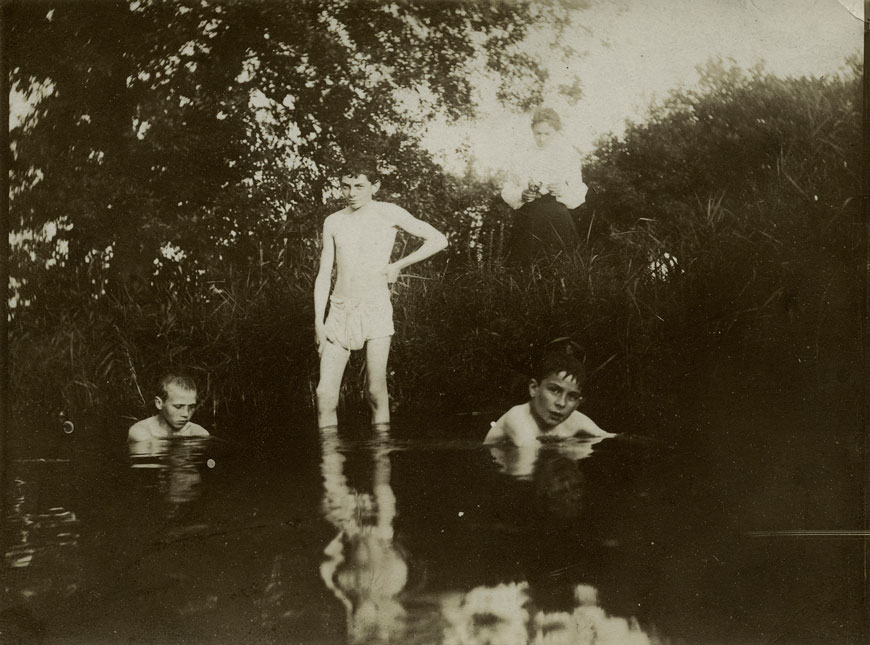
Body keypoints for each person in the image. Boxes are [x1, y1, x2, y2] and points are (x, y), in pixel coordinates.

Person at [314, 156, 448, 428]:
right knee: (324, 394)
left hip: (375, 306)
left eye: (359, 186)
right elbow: (323, 273)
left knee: (375, 392)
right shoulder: (333, 221)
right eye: (345, 186)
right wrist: (318, 321)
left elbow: (438, 239)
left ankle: (380, 464)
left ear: (375, 186)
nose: (351, 193)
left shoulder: (389, 212)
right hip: (339, 309)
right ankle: (329, 468)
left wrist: (399, 264)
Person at [501, 107, 588, 265]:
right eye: (538, 133)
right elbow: (508, 187)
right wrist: (521, 194)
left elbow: (579, 191)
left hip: (557, 219)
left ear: (556, 131)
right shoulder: (522, 154)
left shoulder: (568, 155)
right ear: (532, 131)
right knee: (524, 266)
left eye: (547, 134)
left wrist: (562, 190)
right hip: (528, 218)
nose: (541, 139)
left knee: (557, 265)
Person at [484, 346, 614, 446]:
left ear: (578, 403)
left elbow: (611, 437)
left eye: (572, 396)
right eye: (554, 390)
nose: (561, 403)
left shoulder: (576, 420)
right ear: (534, 388)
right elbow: (528, 460)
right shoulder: (517, 417)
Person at [127, 374, 209, 441]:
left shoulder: (200, 433)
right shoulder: (141, 432)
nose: (186, 414)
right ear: (159, 403)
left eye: (191, 407)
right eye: (178, 406)